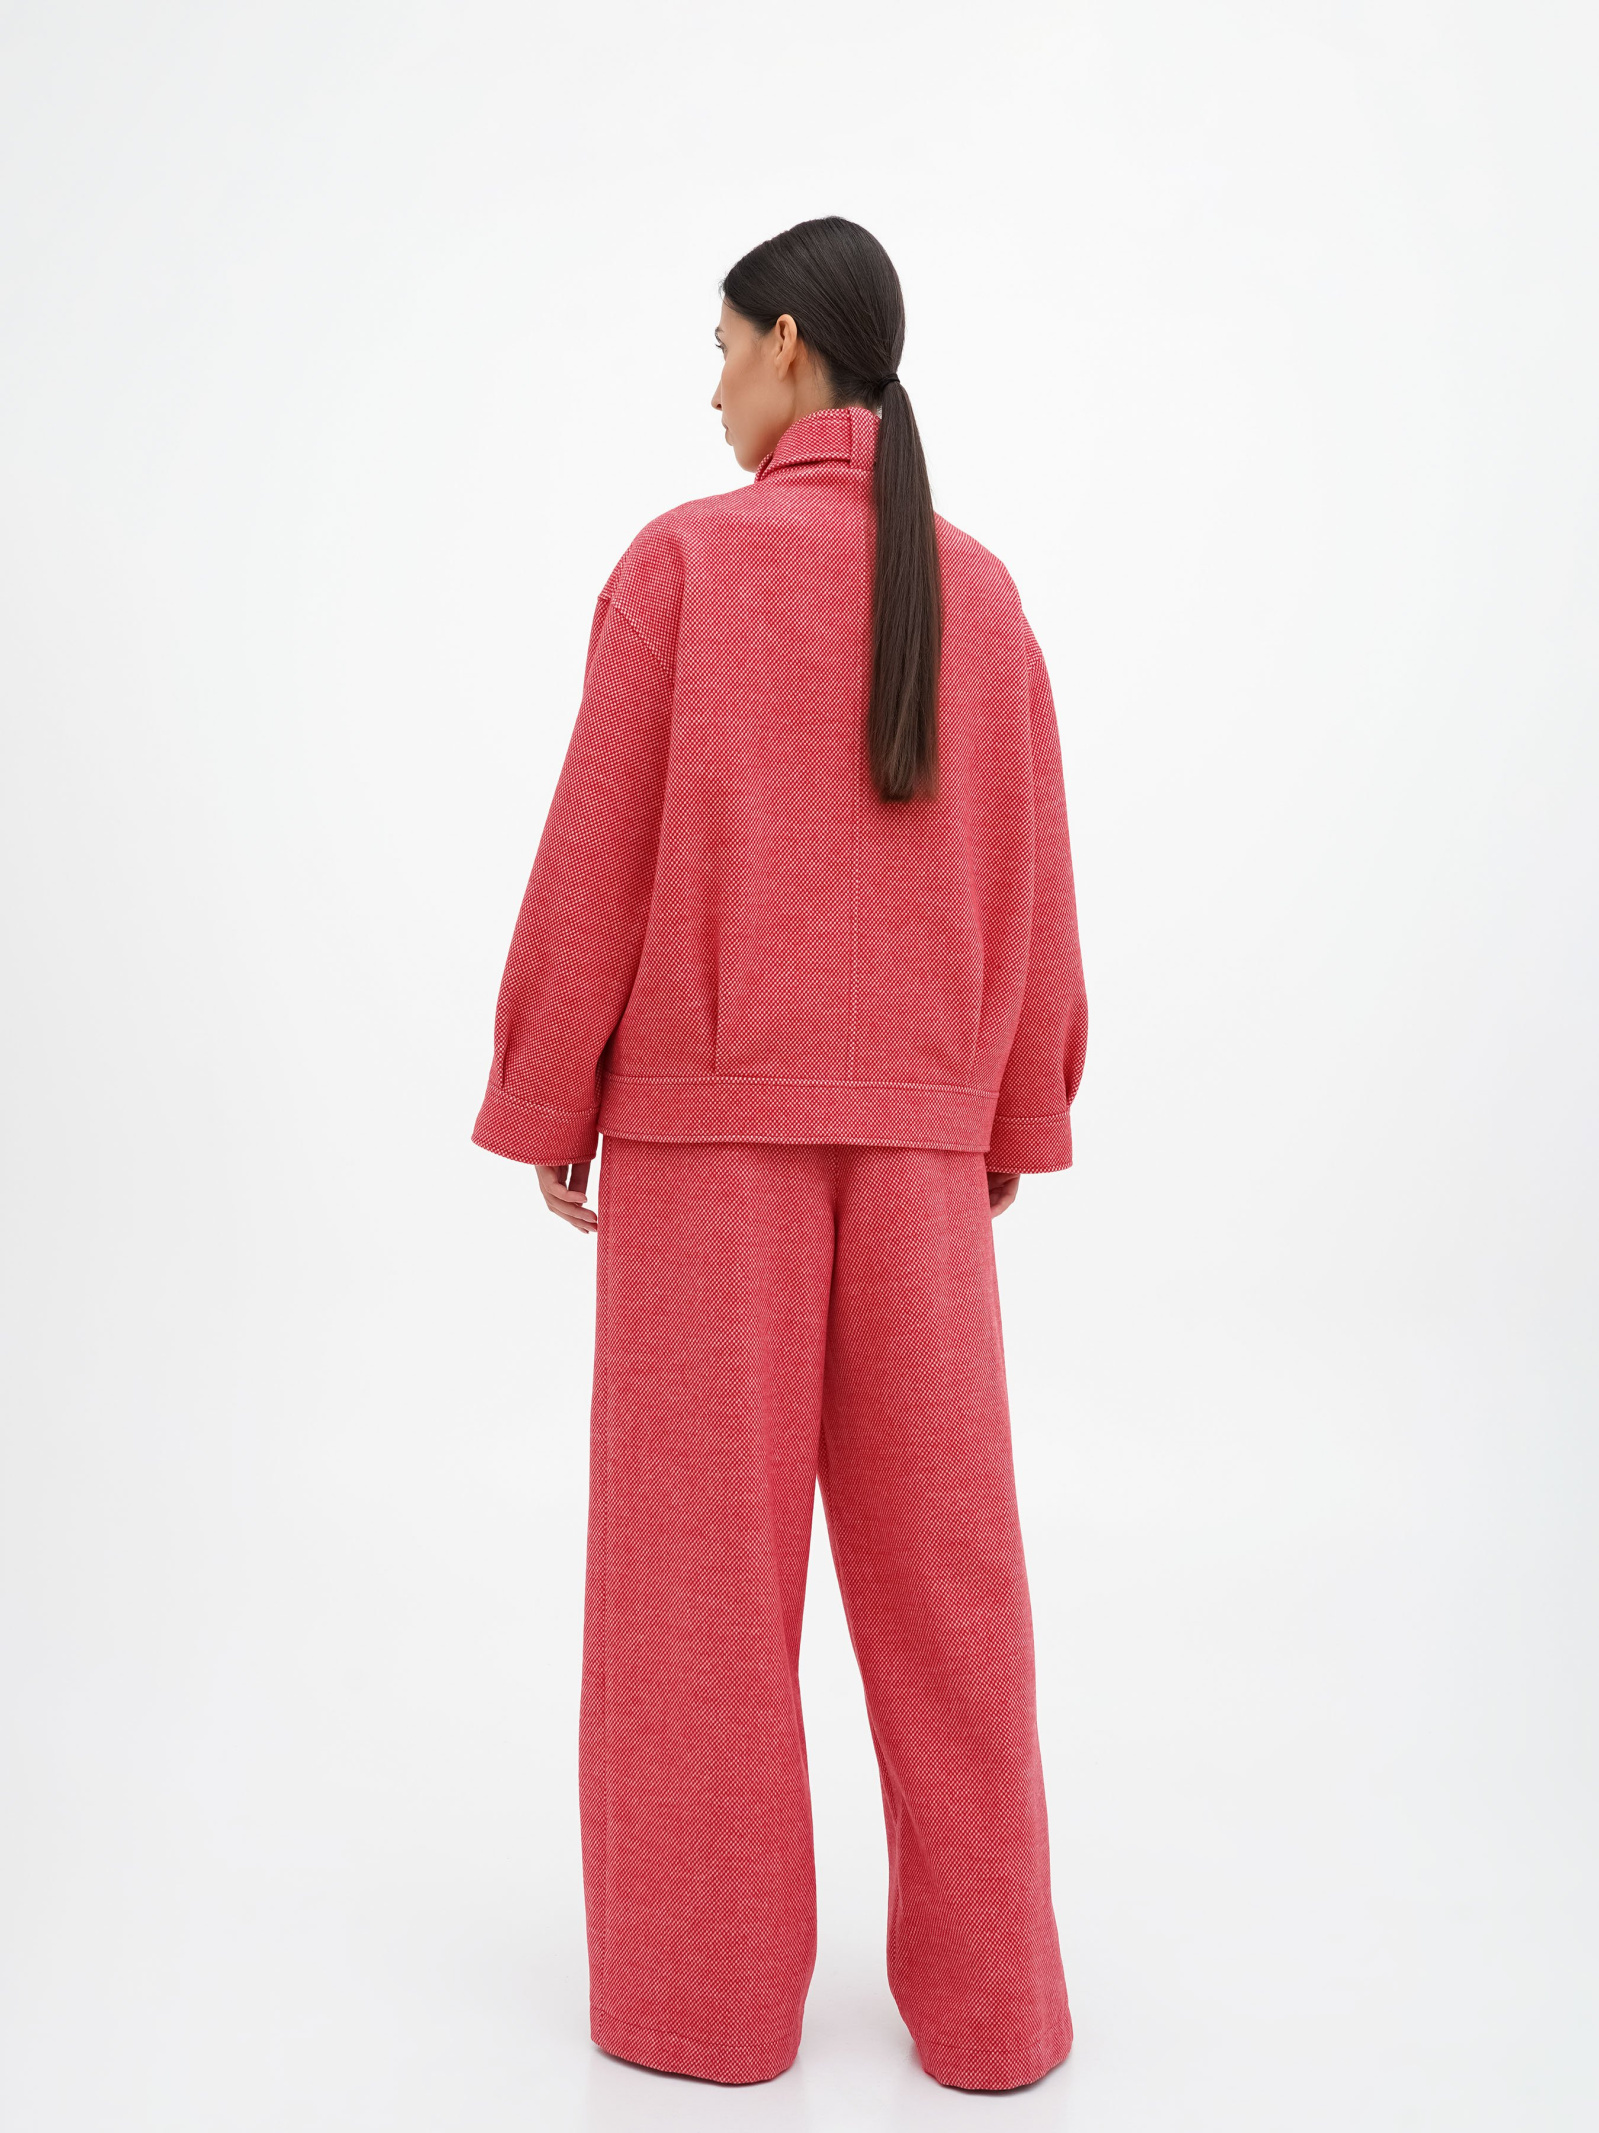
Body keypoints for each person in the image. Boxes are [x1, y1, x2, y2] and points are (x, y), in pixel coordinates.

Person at [469, 215, 1088, 2093]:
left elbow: (599, 852)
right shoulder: (984, 594)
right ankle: (996, 2017)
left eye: (727, 344)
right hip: (917, 1168)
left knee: (698, 1599)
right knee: (951, 1593)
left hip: (707, 1152)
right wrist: (1004, 1110)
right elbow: (1036, 877)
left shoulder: (683, 566)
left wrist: (551, 1090)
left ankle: (703, 2009)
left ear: (796, 347)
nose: (714, 382)